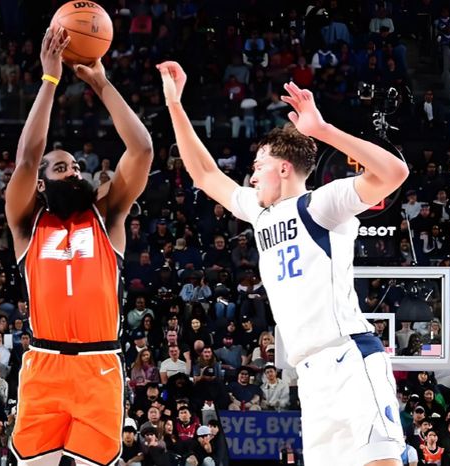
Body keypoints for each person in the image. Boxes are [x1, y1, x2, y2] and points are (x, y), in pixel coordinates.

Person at [157, 61, 409, 466]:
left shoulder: (319, 205)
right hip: (309, 374)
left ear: (284, 168)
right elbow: (204, 174)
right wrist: (174, 104)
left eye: (258, 168)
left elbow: (395, 172)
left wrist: (322, 131)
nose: (252, 178)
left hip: (348, 357)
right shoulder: (259, 213)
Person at [6, 27, 153, 466]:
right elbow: (27, 158)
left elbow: (142, 149)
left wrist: (102, 84)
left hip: (99, 364)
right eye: (61, 168)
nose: (73, 172)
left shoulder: (107, 215)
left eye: (75, 166)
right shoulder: (27, 223)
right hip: (44, 362)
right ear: (41, 183)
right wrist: (49, 80)